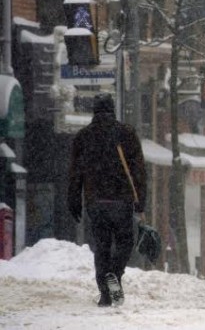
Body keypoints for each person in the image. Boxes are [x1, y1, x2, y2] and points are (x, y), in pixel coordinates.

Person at [67, 92, 146, 307]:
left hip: (95, 200)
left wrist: (73, 199)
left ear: (94, 111)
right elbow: (138, 169)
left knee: (101, 245)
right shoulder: (126, 134)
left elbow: (75, 172)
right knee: (124, 242)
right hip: (121, 199)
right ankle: (115, 274)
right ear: (113, 109)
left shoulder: (83, 137)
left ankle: (104, 293)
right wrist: (141, 199)